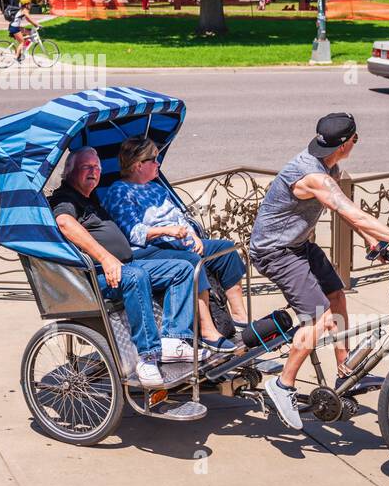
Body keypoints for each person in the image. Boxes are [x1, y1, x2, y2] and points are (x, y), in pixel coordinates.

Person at [251, 112, 389, 429]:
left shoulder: (329, 167)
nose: (356, 142)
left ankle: (346, 369)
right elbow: (355, 213)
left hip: (298, 245)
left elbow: (349, 216)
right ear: (348, 142)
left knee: (337, 295)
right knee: (321, 316)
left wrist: (372, 242)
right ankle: (282, 385)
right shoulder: (313, 176)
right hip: (275, 251)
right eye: (356, 138)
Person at [50, 147, 203, 387]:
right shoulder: (65, 198)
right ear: (70, 172)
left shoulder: (90, 198)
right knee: (135, 275)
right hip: (96, 275)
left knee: (182, 268)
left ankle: (173, 340)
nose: (94, 172)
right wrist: (106, 258)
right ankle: (147, 357)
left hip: (126, 264)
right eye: (87, 167)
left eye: (97, 167)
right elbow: (65, 223)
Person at [102, 136, 248, 353]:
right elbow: (133, 232)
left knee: (225, 250)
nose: (158, 164)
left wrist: (193, 235)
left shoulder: (157, 188)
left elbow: (179, 216)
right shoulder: (119, 191)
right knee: (193, 261)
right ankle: (207, 329)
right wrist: (166, 231)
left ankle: (240, 317)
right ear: (138, 165)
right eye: (154, 159)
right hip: (148, 249)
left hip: (177, 241)